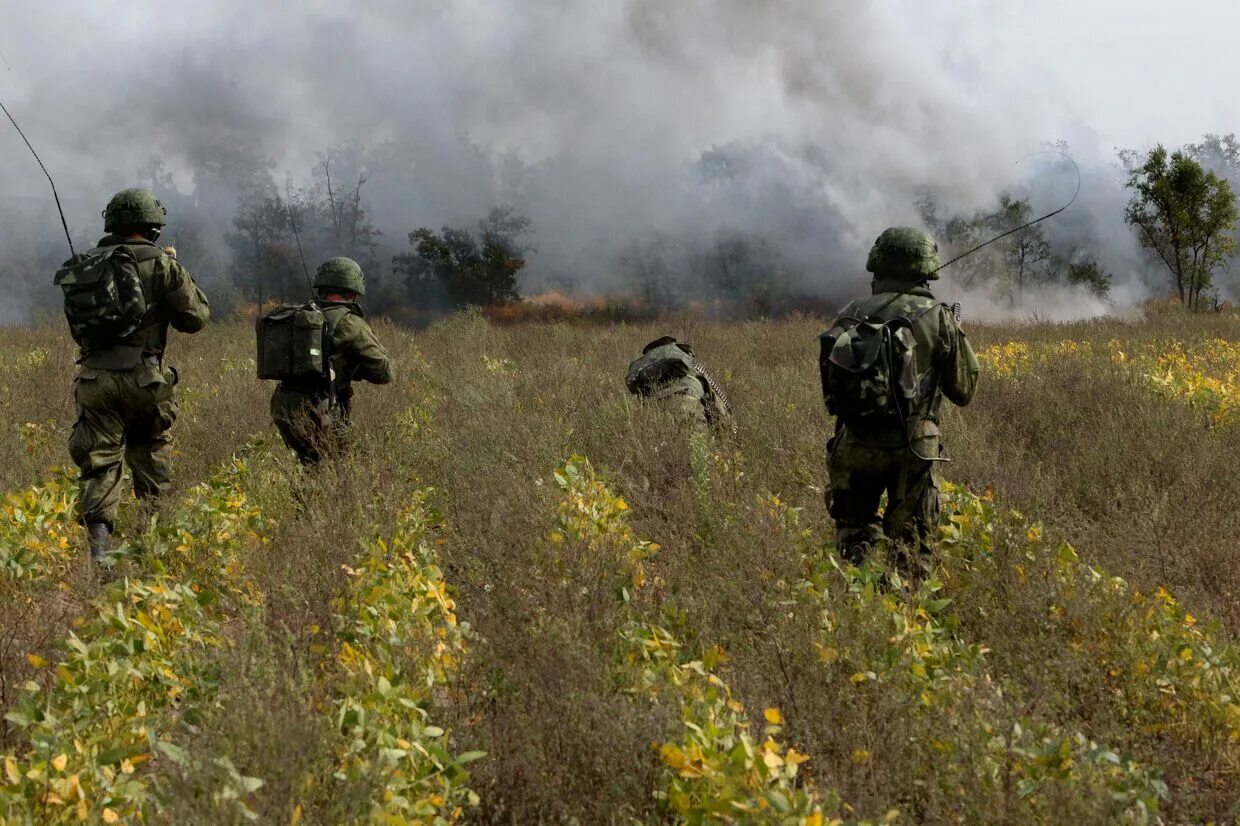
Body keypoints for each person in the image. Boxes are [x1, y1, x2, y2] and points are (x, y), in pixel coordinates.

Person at [819, 227, 978, 574]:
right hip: (914, 446)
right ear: (927, 268)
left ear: (877, 265)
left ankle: (854, 610)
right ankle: (903, 616)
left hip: (854, 442)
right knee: (910, 547)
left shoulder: (851, 311)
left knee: (852, 541)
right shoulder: (938, 315)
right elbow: (963, 390)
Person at [63, 188, 210, 560]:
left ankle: (99, 553)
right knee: (151, 458)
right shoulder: (161, 264)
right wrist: (175, 269)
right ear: (153, 226)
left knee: (99, 465)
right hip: (146, 380)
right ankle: (150, 549)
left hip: (95, 381)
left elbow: (79, 328)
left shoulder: (85, 266)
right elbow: (196, 319)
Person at [270, 256, 393, 464]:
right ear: (352, 290)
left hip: (282, 406)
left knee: (310, 464)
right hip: (321, 409)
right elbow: (384, 372)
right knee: (334, 471)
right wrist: (355, 369)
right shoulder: (349, 322)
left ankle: (302, 496)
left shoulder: (301, 314)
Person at [625, 335, 732, 432]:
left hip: (657, 427)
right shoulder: (692, 368)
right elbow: (718, 408)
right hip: (691, 416)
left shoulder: (645, 377)